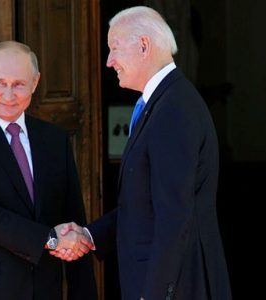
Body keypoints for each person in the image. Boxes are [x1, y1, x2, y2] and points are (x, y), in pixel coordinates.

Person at [52, 6, 232, 300]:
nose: (109, 61)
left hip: (177, 288)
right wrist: (89, 235)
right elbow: (146, 204)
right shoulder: (162, 102)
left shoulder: (173, 109)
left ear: (144, 46)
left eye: (114, 49)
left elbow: (174, 215)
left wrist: (156, 294)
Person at [0, 41, 97, 300]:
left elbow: (73, 217)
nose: (9, 95)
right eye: (0, 82)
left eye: (19, 84)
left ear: (35, 83)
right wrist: (50, 238)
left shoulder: (54, 139)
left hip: (45, 291)